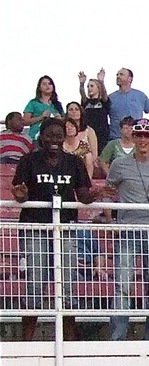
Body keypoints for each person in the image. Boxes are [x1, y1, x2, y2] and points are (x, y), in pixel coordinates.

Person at [10, 117, 95, 341]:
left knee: (67, 284)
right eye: (50, 135)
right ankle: (26, 342)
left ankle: (70, 341)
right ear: (41, 137)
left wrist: (97, 195)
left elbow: (84, 195)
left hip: (65, 228)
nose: (54, 140)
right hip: (35, 228)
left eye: (59, 136)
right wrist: (20, 196)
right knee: (35, 283)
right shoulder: (29, 161)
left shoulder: (74, 162)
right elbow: (20, 192)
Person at [105, 118, 149, 341]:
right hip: (127, 229)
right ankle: (118, 336)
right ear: (133, 137)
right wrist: (110, 221)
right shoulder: (119, 164)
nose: (143, 139)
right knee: (123, 284)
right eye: (139, 135)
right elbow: (108, 191)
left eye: (147, 135)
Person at [78, 69, 111, 151]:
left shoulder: (103, 102)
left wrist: (101, 81)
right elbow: (82, 95)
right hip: (88, 133)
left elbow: (104, 94)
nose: (89, 88)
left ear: (98, 88)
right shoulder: (86, 102)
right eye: (88, 86)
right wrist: (82, 84)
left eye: (92, 86)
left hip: (102, 135)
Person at [63, 102, 99, 172]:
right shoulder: (62, 130)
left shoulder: (89, 131)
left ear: (81, 112)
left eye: (77, 109)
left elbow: (94, 155)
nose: (74, 112)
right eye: (71, 109)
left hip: (84, 167)